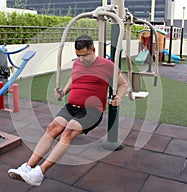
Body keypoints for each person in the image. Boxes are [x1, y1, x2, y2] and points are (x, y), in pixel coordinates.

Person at [8, 35, 128, 186]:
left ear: (93, 50)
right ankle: (28, 166)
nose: (81, 59)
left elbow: (124, 84)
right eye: (78, 56)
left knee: (68, 131)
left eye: (85, 55)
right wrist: (64, 91)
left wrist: (119, 97)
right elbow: (74, 78)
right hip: (72, 107)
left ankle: (40, 172)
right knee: (52, 127)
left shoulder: (107, 65)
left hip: (92, 111)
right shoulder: (77, 64)